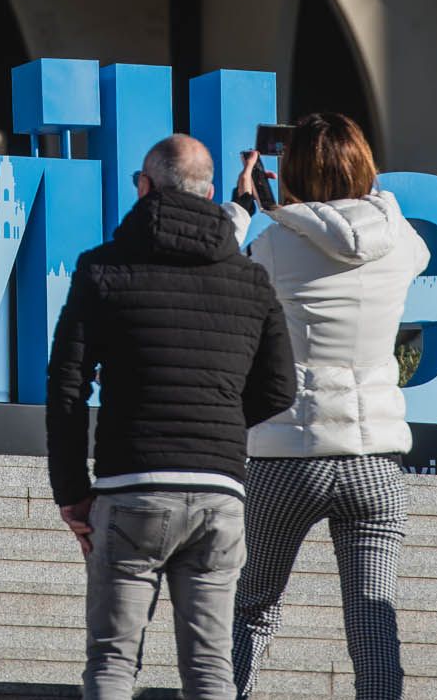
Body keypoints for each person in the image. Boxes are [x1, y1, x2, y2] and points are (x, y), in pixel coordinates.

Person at [47, 135, 296, 700]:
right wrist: (222, 421)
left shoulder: (102, 268)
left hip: (131, 487)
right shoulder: (249, 279)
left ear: (144, 186)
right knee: (211, 672)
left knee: (112, 664)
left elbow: (67, 387)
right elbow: (281, 387)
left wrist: (71, 491)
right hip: (219, 491)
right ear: (210, 192)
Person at [229, 113, 429, 700]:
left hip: (287, 453)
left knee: (253, 606)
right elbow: (379, 232)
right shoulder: (402, 239)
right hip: (376, 458)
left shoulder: (272, 242)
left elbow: (238, 284)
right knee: (372, 619)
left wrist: (256, 202)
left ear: (289, 172)